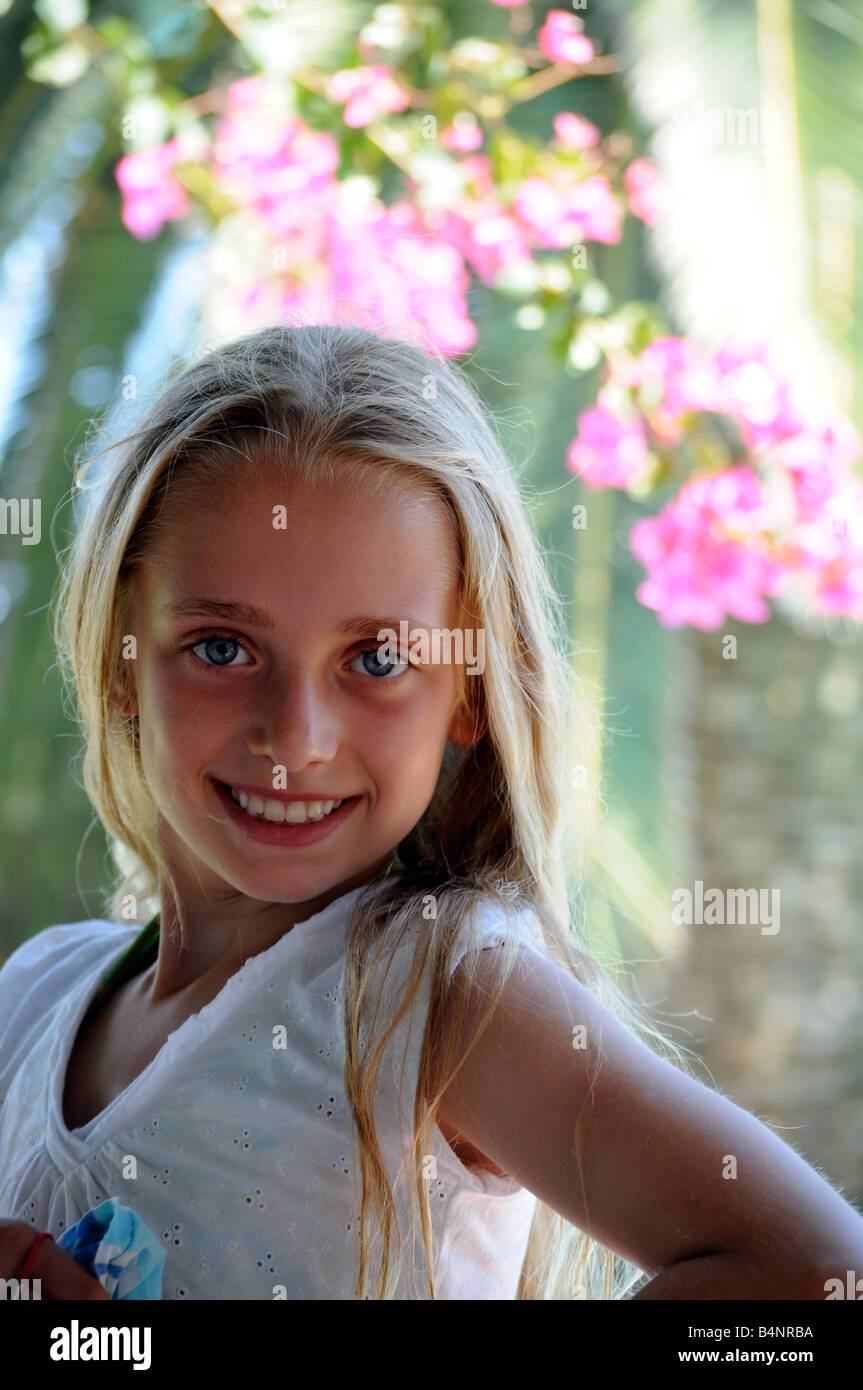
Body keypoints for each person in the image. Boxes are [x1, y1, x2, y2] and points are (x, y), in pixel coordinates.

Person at [0, 322, 861, 1301]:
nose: (296, 738)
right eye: (222, 648)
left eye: (376, 661)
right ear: (120, 651)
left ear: (465, 693)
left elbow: (819, 1273)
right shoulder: (30, 996)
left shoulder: (439, 993)